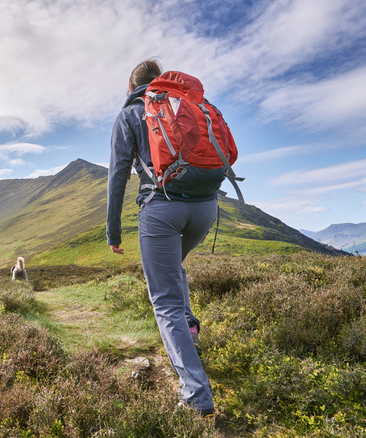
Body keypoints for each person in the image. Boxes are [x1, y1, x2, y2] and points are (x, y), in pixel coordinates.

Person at [106, 58, 217, 419]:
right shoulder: (184, 105)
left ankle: (195, 395)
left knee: (164, 301)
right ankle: (190, 327)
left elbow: (118, 176)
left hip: (162, 209)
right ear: (161, 82)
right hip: (206, 207)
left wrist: (113, 231)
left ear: (131, 86)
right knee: (173, 272)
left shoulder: (130, 115)